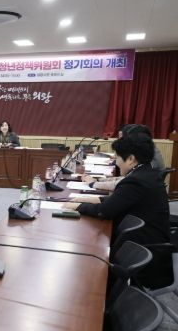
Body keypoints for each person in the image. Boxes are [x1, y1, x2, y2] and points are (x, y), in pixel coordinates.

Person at [63, 133, 170, 287]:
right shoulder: (146, 173)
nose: (116, 161)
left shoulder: (136, 181)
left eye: (118, 157)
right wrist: (85, 199)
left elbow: (104, 211)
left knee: (91, 249)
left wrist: (77, 206)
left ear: (131, 159)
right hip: (144, 241)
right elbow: (119, 201)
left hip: (142, 251)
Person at [83, 123, 166, 191]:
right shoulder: (147, 151)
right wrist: (99, 180)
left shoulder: (147, 157)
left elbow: (125, 183)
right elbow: (126, 180)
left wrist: (93, 183)